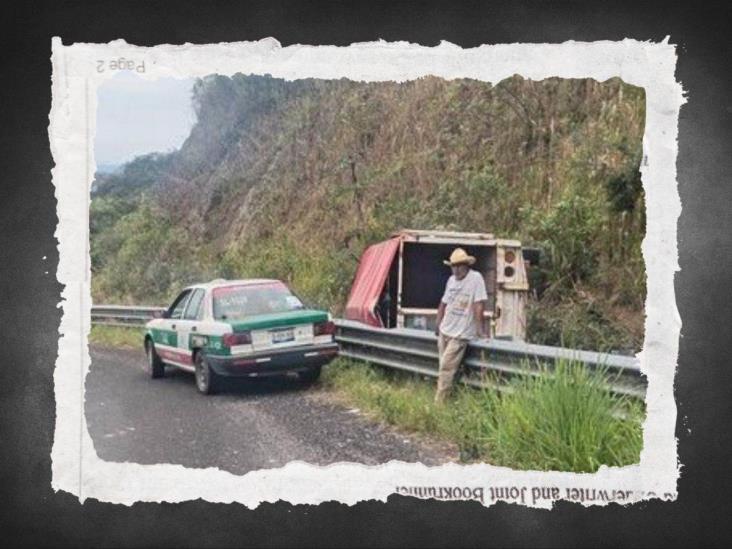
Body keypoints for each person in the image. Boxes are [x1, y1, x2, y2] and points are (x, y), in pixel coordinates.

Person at [433, 248, 488, 403]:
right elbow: (443, 303)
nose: (456, 269)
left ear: (466, 265)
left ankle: (439, 404)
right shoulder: (451, 280)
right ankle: (450, 399)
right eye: (453, 266)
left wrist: (480, 330)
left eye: (459, 266)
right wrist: (438, 322)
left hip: (460, 333)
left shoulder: (475, 279)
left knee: (446, 368)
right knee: (444, 369)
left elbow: (478, 305)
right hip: (446, 330)